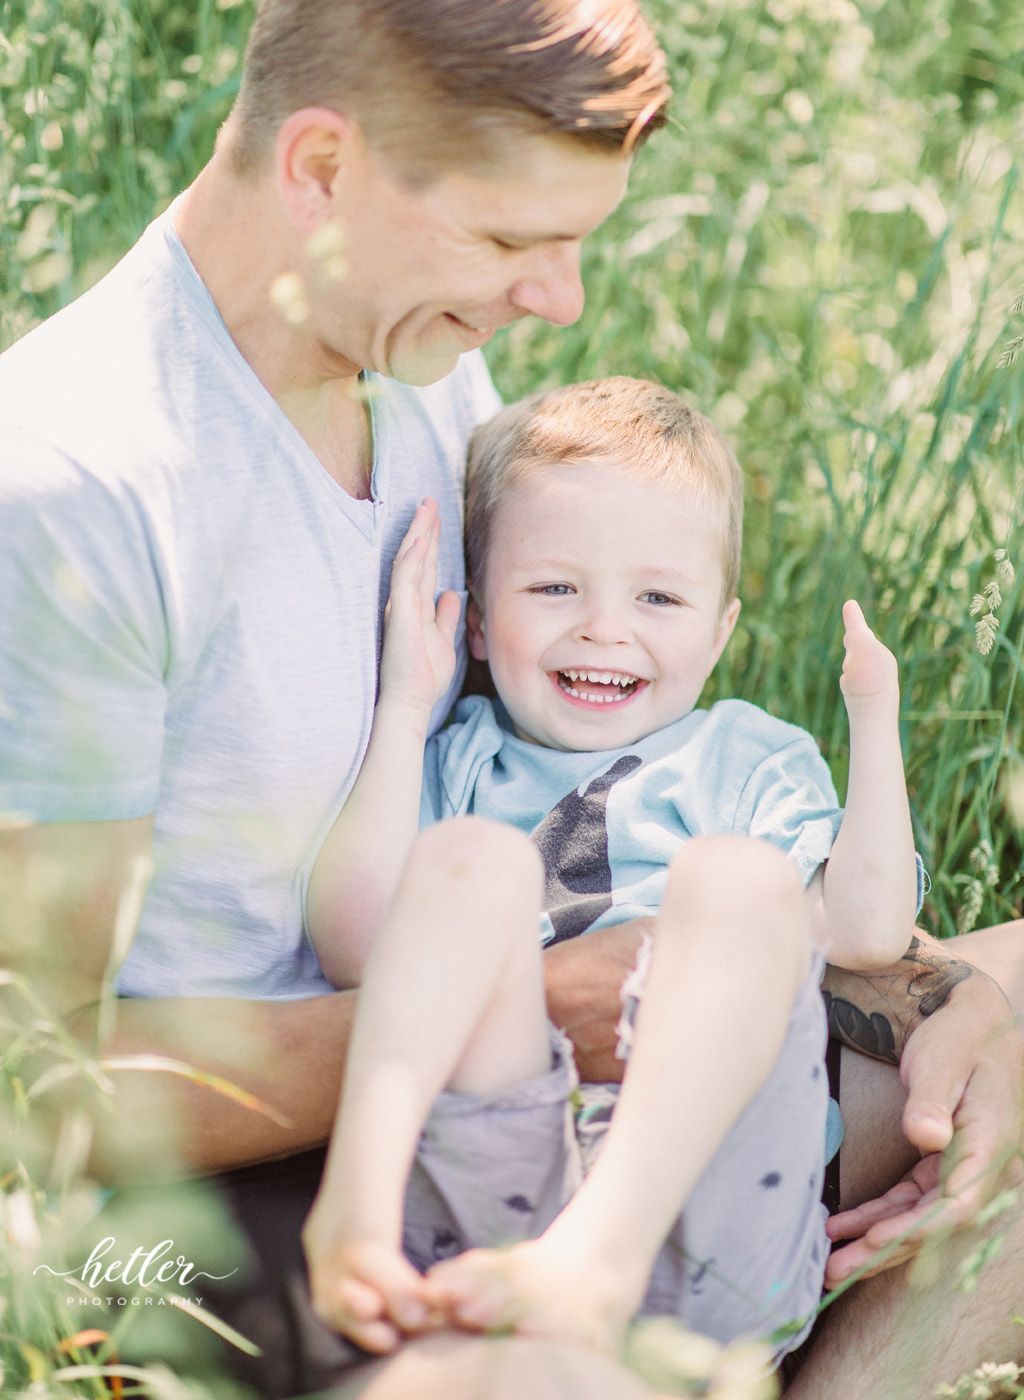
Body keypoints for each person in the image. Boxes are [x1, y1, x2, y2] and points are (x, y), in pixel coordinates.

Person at [0, 1, 1019, 1396]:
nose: (562, 301)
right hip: (225, 1207)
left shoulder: (413, 362)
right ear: (319, 169)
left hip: (532, 1073)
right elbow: (32, 1097)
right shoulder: (75, 492)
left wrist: (931, 996)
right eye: (509, 238)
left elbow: (590, 795)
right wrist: (535, 999)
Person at [301, 377, 920, 1368]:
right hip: (494, 1186)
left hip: (706, 1206)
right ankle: (356, 1213)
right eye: (554, 587)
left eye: (657, 597)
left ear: (718, 633)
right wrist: (405, 712)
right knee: (466, 860)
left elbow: (866, 926)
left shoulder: (745, 756)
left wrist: (872, 718)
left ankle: (600, 1253)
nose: (603, 627)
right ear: (474, 617)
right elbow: (357, 946)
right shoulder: (461, 756)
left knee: (738, 879)